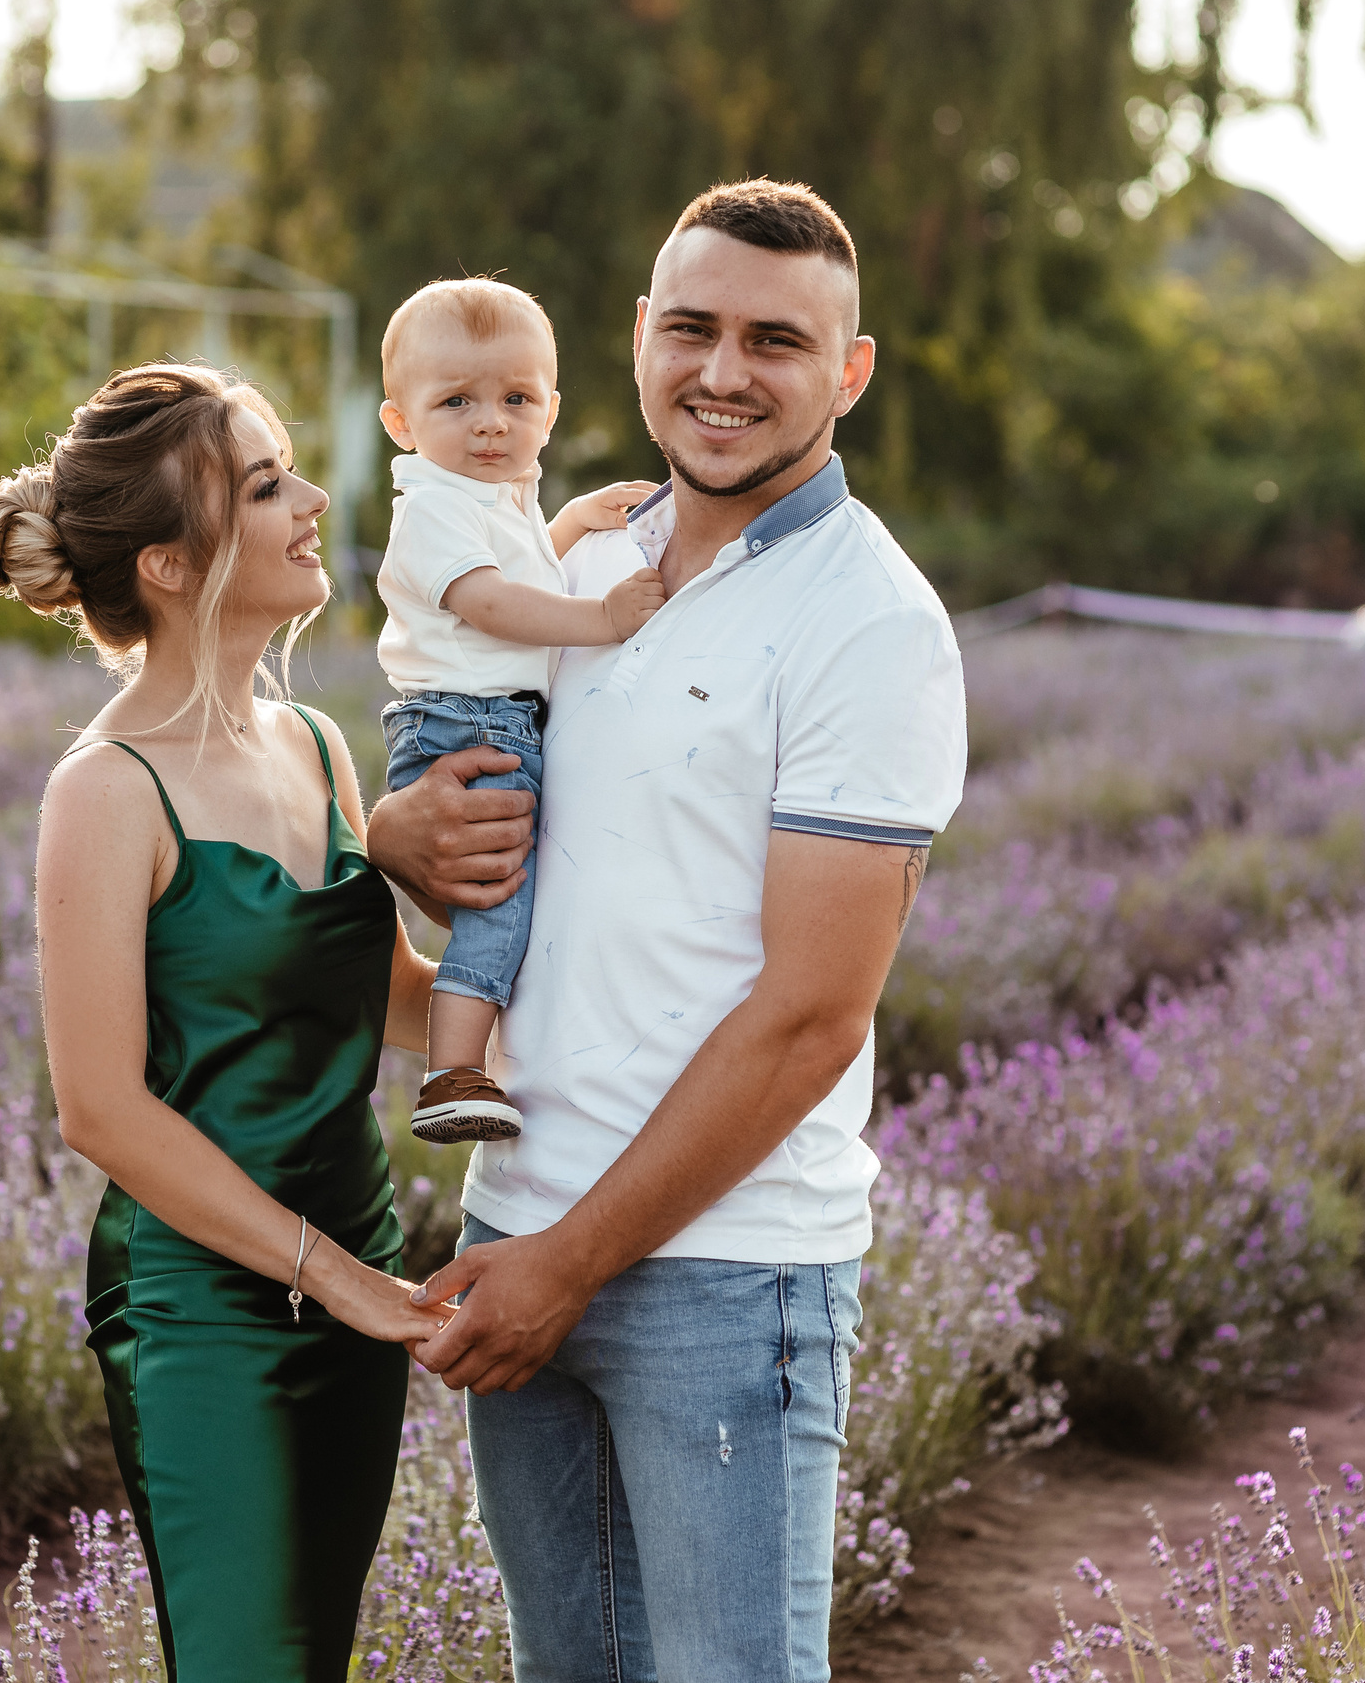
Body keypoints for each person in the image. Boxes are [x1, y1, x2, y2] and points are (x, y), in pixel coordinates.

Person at [368, 180, 968, 1680]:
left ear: (851, 371)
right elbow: (495, 851)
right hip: (518, 1242)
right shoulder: (573, 565)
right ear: (636, 340)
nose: (722, 371)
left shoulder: (870, 622)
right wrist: (392, 836)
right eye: (691, 327)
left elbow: (811, 1016)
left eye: (778, 340)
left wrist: (571, 1260)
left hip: (725, 1275)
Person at [0, 363, 453, 1683]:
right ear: (174, 564)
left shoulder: (313, 745)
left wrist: (563, 963)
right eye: (263, 485)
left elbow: (395, 998)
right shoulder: (106, 791)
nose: (310, 501)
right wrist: (341, 1276)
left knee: (311, 1659)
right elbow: (100, 1110)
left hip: (357, 1287)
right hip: (207, 1307)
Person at [369, 277, 662, 1143]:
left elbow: (520, 563)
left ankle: (472, 1058)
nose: (491, 420)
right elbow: (493, 603)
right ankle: (452, 1073)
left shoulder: (495, 498)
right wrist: (599, 618)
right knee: (500, 905)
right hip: (468, 723)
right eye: (456, 400)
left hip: (487, 718)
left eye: (516, 398)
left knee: (509, 903)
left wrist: (566, 524)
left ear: (551, 408)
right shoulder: (429, 508)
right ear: (401, 422)